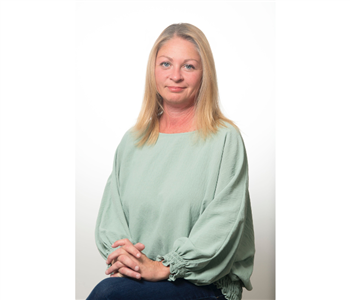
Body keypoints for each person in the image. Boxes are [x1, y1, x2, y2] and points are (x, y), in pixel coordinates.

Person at [86, 23, 255, 300]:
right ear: (153, 71)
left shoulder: (225, 139)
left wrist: (166, 266)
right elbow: (112, 216)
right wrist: (126, 256)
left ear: (204, 75)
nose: (175, 76)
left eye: (188, 66)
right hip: (140, 281)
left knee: (108, 296)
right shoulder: (133, 141)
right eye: (166, 64)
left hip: (203, 284)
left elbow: (224, 223)